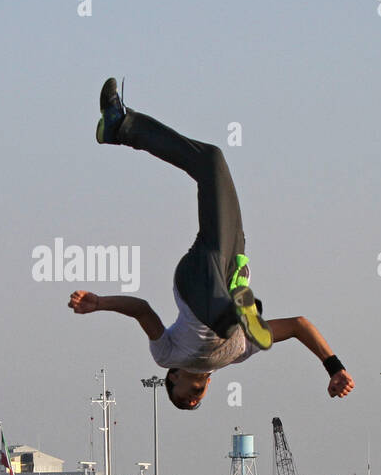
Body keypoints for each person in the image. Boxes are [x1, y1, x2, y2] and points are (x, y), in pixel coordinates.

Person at [70, 78, 354, 409]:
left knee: (228, 318)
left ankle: (239, 311)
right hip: (233, 260)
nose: (193, 400)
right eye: (197, 401)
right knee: (212, 161)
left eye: (182, 398)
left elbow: (142, 310)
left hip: (196, 280)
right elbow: (298, 326)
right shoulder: (237, 354)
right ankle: (120, 126)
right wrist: (334, 367)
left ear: (173, 378)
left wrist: (100, 302)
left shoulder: (167, 355)